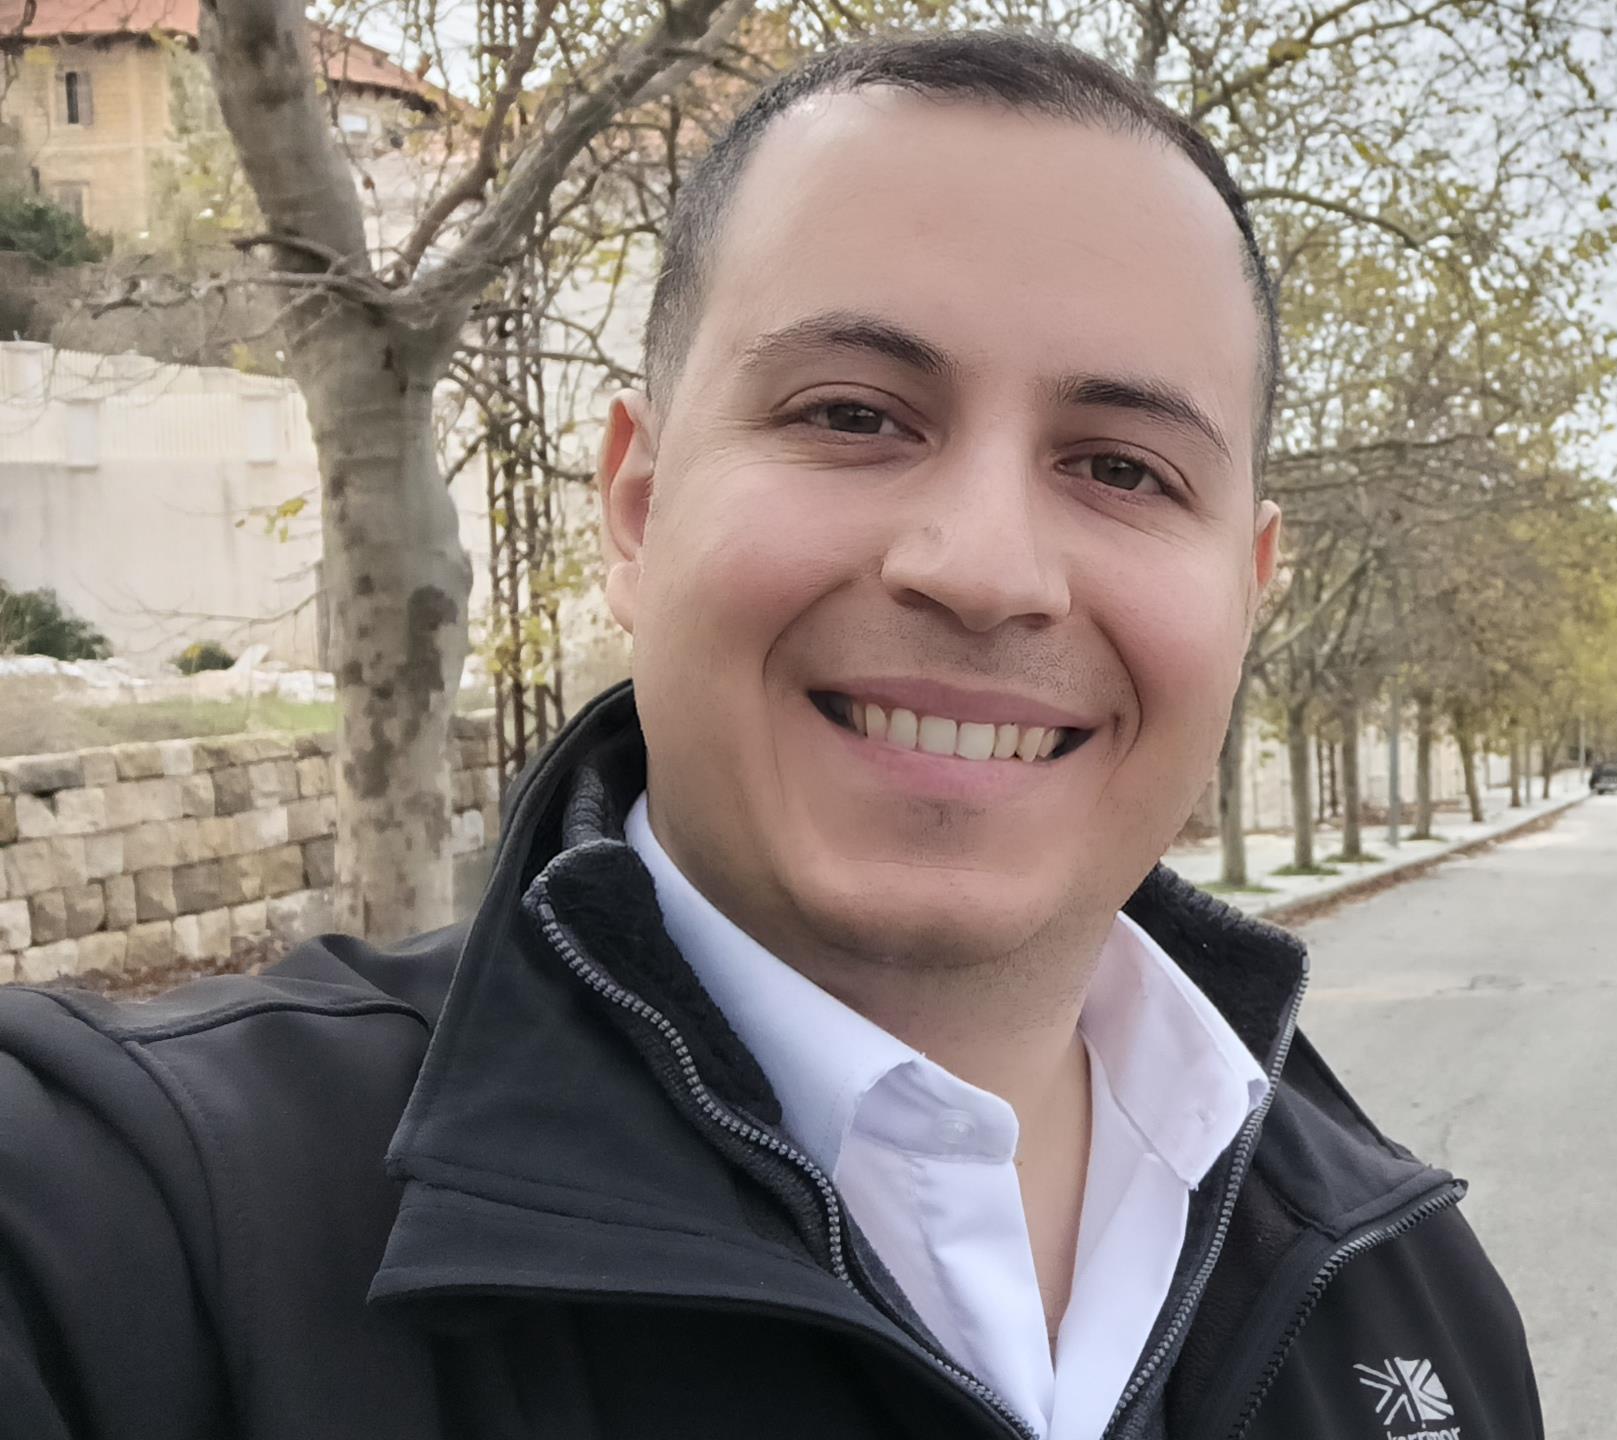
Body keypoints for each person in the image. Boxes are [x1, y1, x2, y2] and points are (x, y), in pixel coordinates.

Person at [0, 32, 1537, 1440]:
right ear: (639, 507)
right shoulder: (137, 1226)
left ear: (1248, 589)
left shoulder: (1405, 1292)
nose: (984, 569)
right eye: (854, 415)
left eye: (1124, 469)